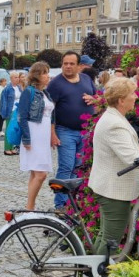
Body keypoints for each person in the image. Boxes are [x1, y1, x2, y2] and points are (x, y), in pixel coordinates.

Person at [88, 78, 139, 255]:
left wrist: (137, 148)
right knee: (111, 240)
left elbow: (117, 147)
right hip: (113, 190)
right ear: (121, 100)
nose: (136, 97)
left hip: (108, 186)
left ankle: (95, 274)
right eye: (132, 93)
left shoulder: (113, 117)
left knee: (105, 235)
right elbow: (132, 159)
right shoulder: (114, 123)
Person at [47, 51, 96, 208]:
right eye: (65, 63)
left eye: (71, 64)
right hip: (65, 131)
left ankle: (73, 202)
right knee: (66, 167)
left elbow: (99, 97)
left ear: (79, 65)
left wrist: (95, 99)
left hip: (85, 132)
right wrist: (52, 133)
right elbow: (49, 110)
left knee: (79, 167)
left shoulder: (86, 79)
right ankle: (60, 205)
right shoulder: (55, 84)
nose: (67, 66)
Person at [18, 61, 54, 211]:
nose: (48, 76)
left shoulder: (45, 93)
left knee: (35, 172)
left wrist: (52, 134)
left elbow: (51, 116)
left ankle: (30, 207)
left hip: (43, 135)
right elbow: (22, 116)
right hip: (33, 134)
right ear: (36, 75)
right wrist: (26, 138)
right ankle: (30, 207)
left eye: (47, 72)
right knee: (41, 174)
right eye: (44, 73)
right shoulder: (29, 91)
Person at [0, 72, 22, 155]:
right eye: (15, 77)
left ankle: (12, 147)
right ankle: (6, 148)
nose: (17, 79)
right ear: (11, 78)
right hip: (10, 111)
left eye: (18, 77)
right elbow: (3, 102)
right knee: (9, 129)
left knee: (15, 130)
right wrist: (3, 113)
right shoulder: (7, 89)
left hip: (18, 111)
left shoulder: (19, 87)